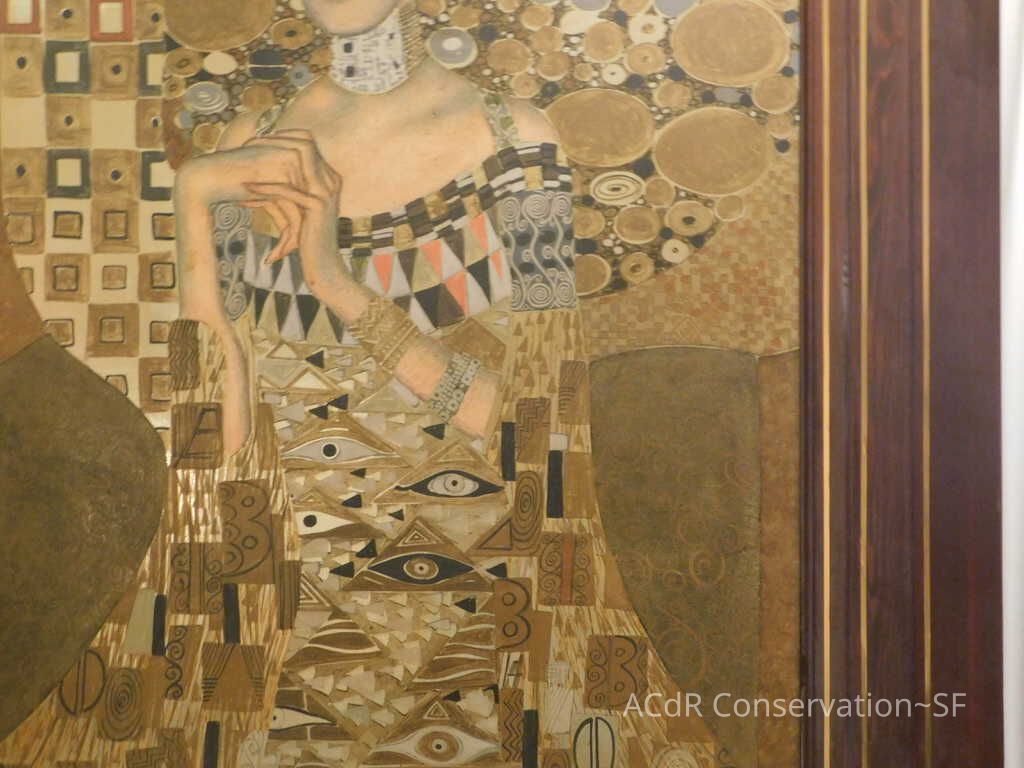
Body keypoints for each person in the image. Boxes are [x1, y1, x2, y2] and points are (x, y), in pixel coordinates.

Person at [174, 0, 713, 763]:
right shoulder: (247, 143)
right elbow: (215, 441)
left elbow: (536, 429)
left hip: (471, 587)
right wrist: (193, 195)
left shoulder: (510, 138)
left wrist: (334, 282)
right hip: (292, 586)